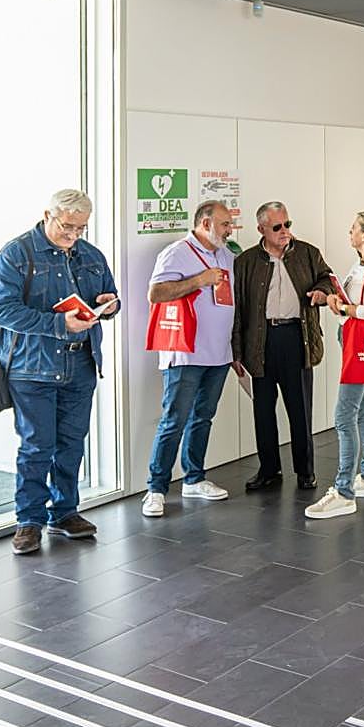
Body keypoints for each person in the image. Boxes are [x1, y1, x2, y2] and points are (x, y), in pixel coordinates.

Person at [0, 189, 119, 555]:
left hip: (81, 364)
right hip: (32, 368)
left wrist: (111, 305)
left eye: (81, 228)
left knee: (72, 443)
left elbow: (110, 294)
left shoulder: (90, 254)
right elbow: (1, 310)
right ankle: (28, 520)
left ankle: (64, 512)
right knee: (36, 446)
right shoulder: (16, 254)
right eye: (67, 226)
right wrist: (60, 324)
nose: (73, 235)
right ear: (48, 214)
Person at [141, 201, 236, 518]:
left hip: (219, 353)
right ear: (206, 223)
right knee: (174, 420)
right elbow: (156, 293)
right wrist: (198, 280)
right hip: (185, 352)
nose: (229, 229)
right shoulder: (177, 252)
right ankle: (156, 488)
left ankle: (194, 478)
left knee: (202, 417)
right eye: (224, 224)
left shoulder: (226, 254)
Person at [232, 202, 335, 492]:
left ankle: (305, 472)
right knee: (263, 411)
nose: (285, 232)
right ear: (261, 229)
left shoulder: (307, 253)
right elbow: (239, 308)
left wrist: (322, 291)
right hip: (260, 341)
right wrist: (236, 352)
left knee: (300, 410)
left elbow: (328, 278)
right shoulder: (246, 262)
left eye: (288, 224)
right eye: (277, 227)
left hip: (296, 337)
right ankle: (269, 470)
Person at [305, 210, 364, 519]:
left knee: (344, 416)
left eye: (353, 230)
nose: (349, 234)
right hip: (352, 341)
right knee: (363, 410)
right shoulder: (361, 264)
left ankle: (344, 491)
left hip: (362, 345)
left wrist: (344, 306)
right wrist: (332, 300)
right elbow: (348, 299)